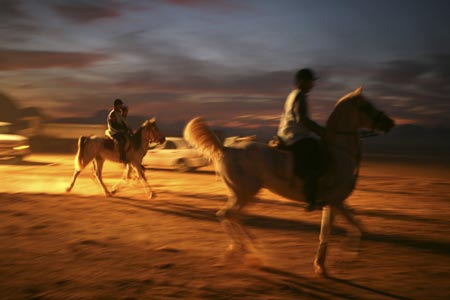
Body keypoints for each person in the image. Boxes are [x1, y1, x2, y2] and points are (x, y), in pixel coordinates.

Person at [277, 68, 326, 211]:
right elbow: (302, 119)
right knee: (316, 153)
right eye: (311, 81)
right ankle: (311, 198)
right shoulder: (299, 95)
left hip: (289, 134)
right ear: (302, 81)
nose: (313, 85)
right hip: (293, 137)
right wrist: (320, 130)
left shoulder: (294, 94)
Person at [106, 99, 132, 163]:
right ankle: (122, 157)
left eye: (121, 105)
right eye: (120, 105)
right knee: (122, 141)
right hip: (114, 132)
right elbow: (115, 125)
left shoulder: (119, 114)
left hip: (119, 131)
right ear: (116, 105)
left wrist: (128, 129)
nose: (121, 106)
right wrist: (123, 129)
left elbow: (122, 123)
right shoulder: (113, 114)